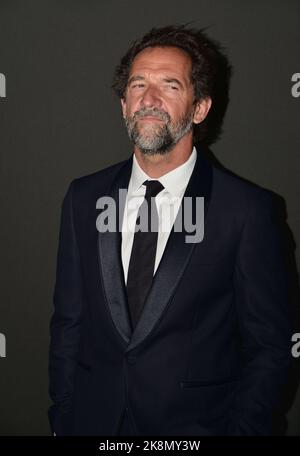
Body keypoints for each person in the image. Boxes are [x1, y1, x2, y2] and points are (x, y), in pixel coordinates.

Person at [48, 25, 291, 436]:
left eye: (170, 85)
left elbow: (269, 350)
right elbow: (69, 324)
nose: (149, 99)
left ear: (199, 109)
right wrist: (64, 417)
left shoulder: (247, 211)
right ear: (124, 104)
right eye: (138, 85)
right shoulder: (83, 198)